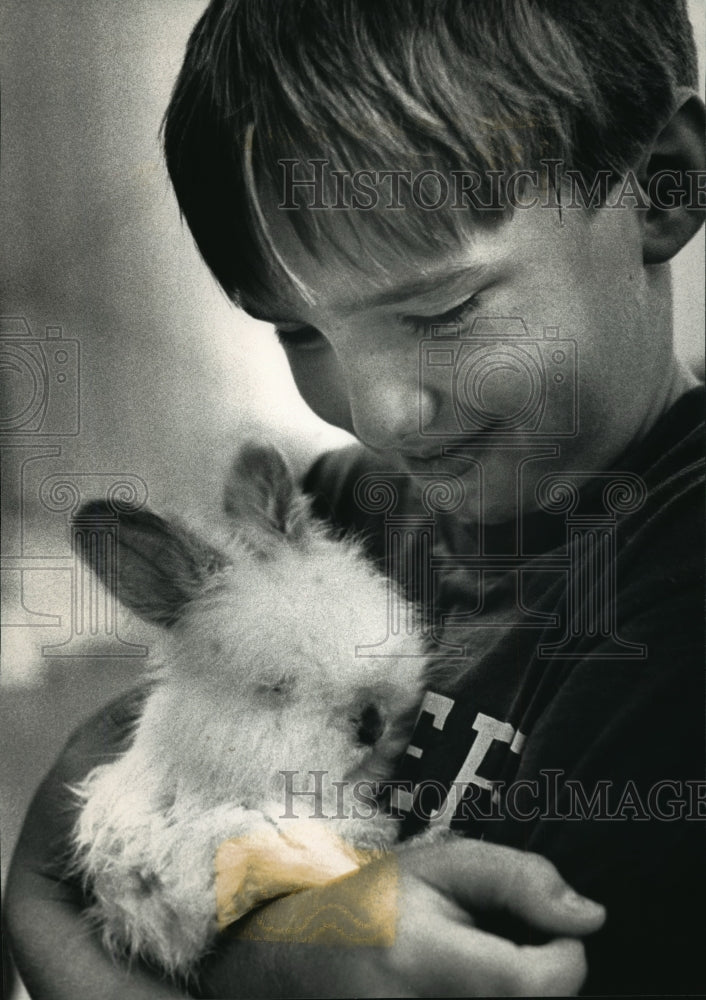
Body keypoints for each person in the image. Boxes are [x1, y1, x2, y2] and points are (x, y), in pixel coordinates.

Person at [5, 0, 705, 996]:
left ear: (662, 187)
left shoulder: (678, 594)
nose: (378, 414)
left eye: (444, 307)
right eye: (300, 332)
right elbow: (76, 848)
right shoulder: (341, 513)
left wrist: (258, 951)